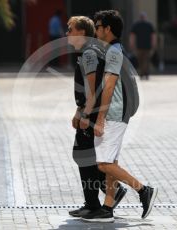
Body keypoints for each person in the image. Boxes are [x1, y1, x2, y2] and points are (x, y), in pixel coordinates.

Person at [81, 10, 158, 223]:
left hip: (114, 113)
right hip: (116, 112)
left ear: (108, 29)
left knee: (104, 164)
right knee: (110, 162)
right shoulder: (113, 50)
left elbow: (110, 84)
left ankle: (143, 190)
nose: (95, 30)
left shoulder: (113, 52)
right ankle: (107, 208)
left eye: (98, 27)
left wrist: (100, 118)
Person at [66, 16, 127, 218]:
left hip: (92, 111)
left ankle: (99, 200)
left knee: (84, 155)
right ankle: (97, 199)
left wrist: (84, 113)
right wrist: (78, 110)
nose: (67, 33)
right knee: (85, 156)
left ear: (82, 32)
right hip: (88, 109)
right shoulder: (87, 52)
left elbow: (92, 89)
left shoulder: (90, 53)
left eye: (70, 29)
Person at [129, 12, 157, 80]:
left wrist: (131, 44)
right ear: (145, 18)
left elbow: (132, 36)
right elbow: (153, 36)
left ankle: (143, 73)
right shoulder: (149, 25)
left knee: (140, 60)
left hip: (139, 46)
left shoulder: (136, 25)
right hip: (147, 46)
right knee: (146, 60)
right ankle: (145, 73)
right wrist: (153, 44)